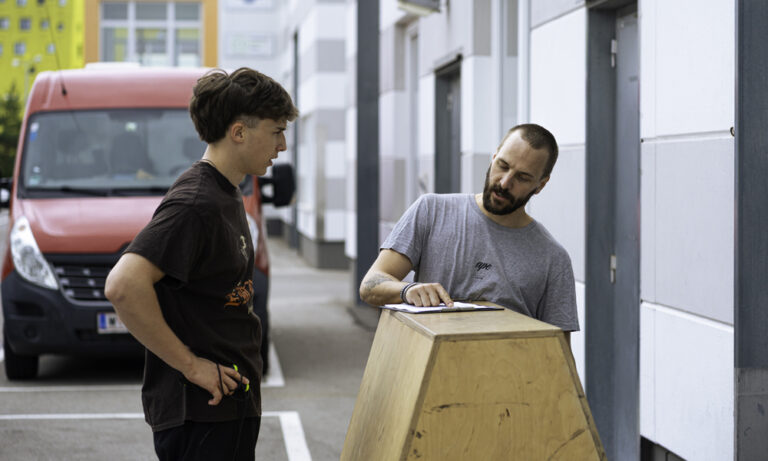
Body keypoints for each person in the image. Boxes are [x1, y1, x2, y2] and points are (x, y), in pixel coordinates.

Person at [104, 67, 298, 461]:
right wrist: (191, 366)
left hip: (226, 409)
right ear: (239, 132)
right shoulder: (196, 202)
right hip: (201, 415)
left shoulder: (226, 192)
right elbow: (123, 286)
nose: (282, 145)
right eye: (276, 131)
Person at [359, 123, 579, 339]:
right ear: (493, 158)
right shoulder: (431, 211)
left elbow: (557, 355)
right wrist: (406, 291)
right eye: (502, 165)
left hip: (509, 372)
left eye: (522, 177)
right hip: (429, 370)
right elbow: (370, 285)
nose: (504, 182)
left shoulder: (552, 258)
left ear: (540, 185)